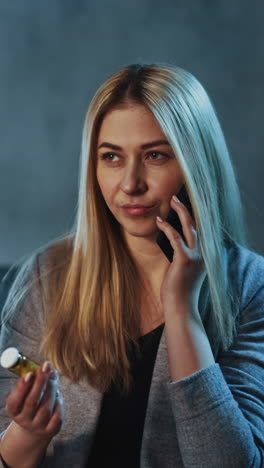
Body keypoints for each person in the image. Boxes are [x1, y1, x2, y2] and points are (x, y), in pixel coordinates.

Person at [0, 63, 264, 468]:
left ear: (195, 163)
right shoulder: (49, 276)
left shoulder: (251, 287)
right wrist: (29, 435)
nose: (130, 183)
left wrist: (181, 310)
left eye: (155, 155)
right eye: (112, 157)